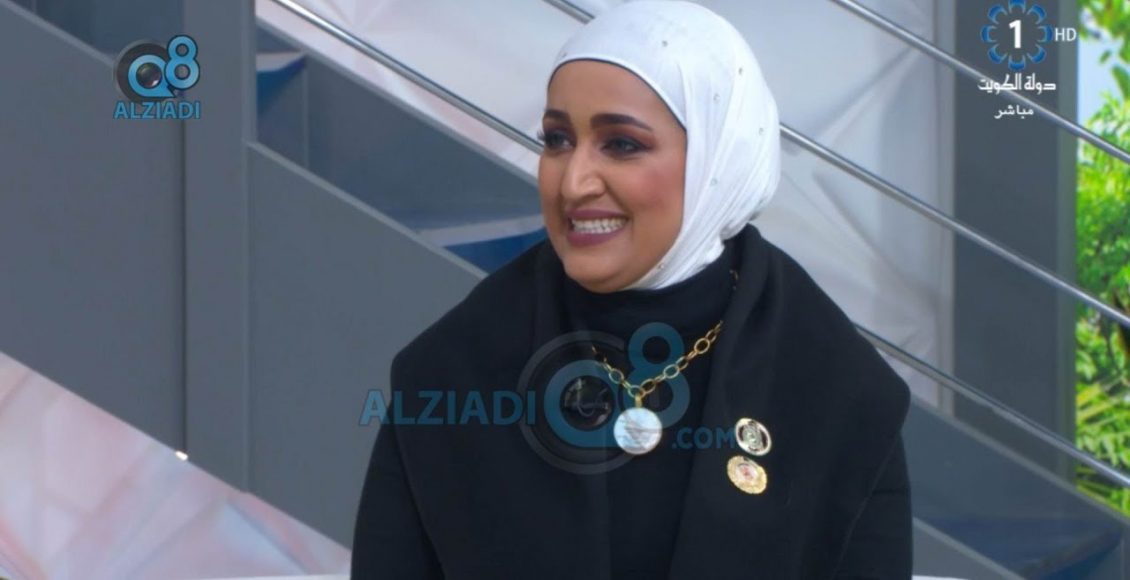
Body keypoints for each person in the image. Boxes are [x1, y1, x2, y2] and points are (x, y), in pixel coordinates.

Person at [351, 1, 912, 578]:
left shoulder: (838, 390)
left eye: (621, 144)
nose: (573, 182)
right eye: (557, 139)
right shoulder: (449, 369)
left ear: (718, 159)